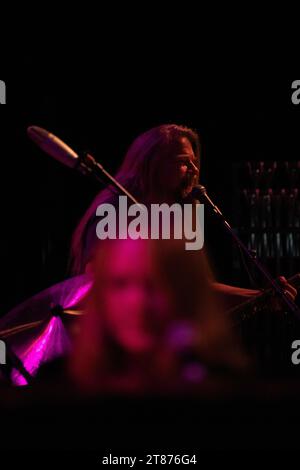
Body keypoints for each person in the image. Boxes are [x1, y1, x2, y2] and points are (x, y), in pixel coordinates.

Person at [70, 124, 297, 309]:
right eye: (182, 162)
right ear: (152, 166)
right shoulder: (115, 208)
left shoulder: (185, 211)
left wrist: (261, 296)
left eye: (193, 162)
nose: (194, 170)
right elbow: (95, 282)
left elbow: (198, 286)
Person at [69, 238, 248, 393]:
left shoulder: (224, 384)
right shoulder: (72, 385)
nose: (137, 303)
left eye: (153, 285)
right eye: (120, 284)